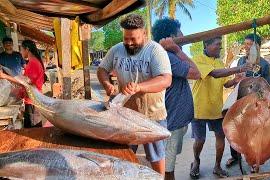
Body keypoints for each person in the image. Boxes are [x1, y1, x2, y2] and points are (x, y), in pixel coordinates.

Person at [97, 14, 172, 175]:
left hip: (152, 115)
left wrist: (139, 87)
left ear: (144, 34)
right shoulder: (117, 49)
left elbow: (166, 80)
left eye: (134, 39)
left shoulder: (155, 51)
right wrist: (107, 84)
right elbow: (102, 69)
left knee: (156, 156)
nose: (129, 43)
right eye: (126, 38)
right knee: (123, 155)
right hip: (124, 114)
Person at [189, 37, 252, 179]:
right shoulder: (197, 59)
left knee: (221, 137)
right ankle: (196, 162)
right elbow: (215, 73)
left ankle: (217, 166)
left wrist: (235, 80)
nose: (220, 48)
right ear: (206, 44)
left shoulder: (219, 62)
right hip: (199, 107)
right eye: (217, 45)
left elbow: (225, 83)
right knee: (200, 140)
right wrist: (240, 67)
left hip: (217, 108)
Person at [152, 18, 200, 180]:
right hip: (171, 125)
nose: (184, 36)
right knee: (167, 170)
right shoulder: (169, 57)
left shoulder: (166, 55)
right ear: (172, 36)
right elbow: (196, 73)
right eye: (180, 33)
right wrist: (177, 50)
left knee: (167, 164)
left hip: (173, 122)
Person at [226, 33, 270, 168]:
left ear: (257, 46)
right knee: (235, 130)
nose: (246, 47)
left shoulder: (264, 64)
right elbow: (236, 79)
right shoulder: (241, 61)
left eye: (249, 44)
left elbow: (267, 86)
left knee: (254, 133)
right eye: (245, 44)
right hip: (240, 100)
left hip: (256, 103)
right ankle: (235, 157)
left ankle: (254, 161)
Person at [0, 40, 45, 128]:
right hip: (32, 99)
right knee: (30, 128)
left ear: (27, 49)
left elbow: (26, 82)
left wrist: (5, 76)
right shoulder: (33, 62)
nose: (21, 52)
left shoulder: (33, 63)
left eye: (22, 49)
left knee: (33, 130)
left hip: (33, 101)